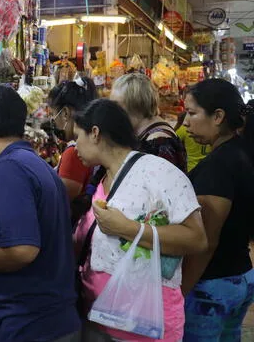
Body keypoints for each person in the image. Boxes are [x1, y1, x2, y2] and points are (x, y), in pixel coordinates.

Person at [73, 99, 206, 341]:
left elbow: (196, 238)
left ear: (95, 133)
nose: (74, 146)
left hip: (145, 324)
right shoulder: (102, 178)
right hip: (99, 316)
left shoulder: (160, 172)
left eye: (77, 137)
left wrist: (128, 228)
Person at [0, 85, 80, 342]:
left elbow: (22, 250)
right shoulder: (34, 163)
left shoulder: (8, 169)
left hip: (32, 324)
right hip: (56, 319)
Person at [180, 79, 254, 340]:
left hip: (213, 286)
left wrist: (182, 289)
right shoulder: (241, 152)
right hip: (239, 276)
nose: (185, 122)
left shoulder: (219, 165)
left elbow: (207, 241)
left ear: (218, 116)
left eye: (191, 113)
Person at [110, 72, 187, 172]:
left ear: (135, 104)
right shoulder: (146, 133)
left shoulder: (160, 142)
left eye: (116, 106)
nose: (112, 112)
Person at [48, 76, 98, 202]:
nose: (53, 120)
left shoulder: (75, 153)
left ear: (65, 113)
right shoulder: (90, 145)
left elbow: (60, 200)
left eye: (53, 114)